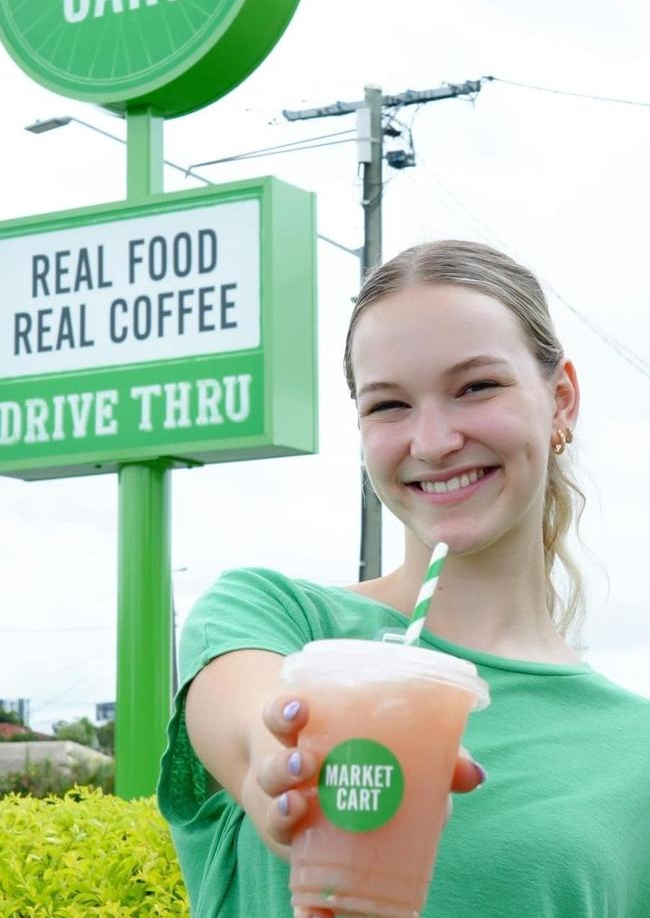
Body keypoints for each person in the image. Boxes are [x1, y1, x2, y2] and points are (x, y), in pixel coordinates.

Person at [158, 240, 650, 918]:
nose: (433, 440)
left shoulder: (636, 750)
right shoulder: (277, 619)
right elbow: (255, 740)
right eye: (389, 405)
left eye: (476, 386)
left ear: (561, 399)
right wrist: (292, 781)